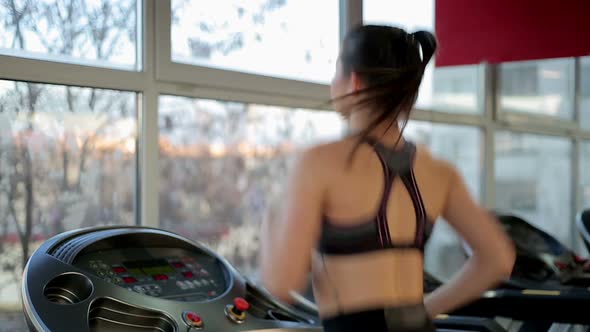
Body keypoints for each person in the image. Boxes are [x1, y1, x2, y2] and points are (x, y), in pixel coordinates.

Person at [259, 25, 516, 332]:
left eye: (336, 71)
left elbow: (280, 282)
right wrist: (425, 309)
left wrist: (273, 215)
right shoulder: (438, 171)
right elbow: (498, 259)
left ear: (353, 82)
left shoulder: (320, 162)